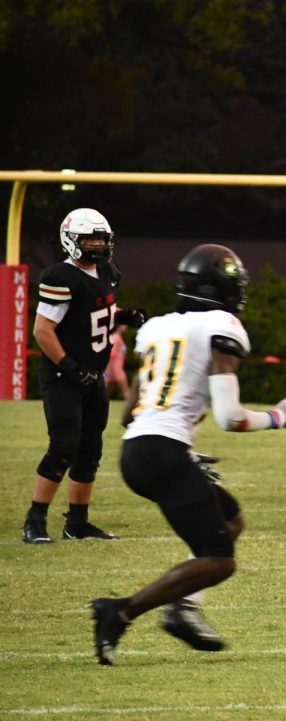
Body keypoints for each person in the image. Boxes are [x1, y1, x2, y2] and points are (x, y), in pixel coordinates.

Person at [89, 244, 286, 665]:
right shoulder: (221, 325)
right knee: (219, 561)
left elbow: (129, 411)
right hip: (160, 452)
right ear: (221, 288)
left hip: (139, 448)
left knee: (230, 519)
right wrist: (280, 416)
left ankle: (184, 608)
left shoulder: (156, 327)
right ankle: (118, 612)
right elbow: (230, 418)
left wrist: (182, 449)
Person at [22, 209, 145, 545]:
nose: (96, 244)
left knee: (91, 448)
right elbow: (42, 331)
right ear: (70, 240)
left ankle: (77, 522)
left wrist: (124, 316)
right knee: (64, 444)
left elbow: (92, 314)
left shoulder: (106, 271)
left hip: (93, 376)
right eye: (89, 238)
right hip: (64, 375)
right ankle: (35, 519)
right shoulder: (61, 276)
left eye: (101, 238)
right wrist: (71, 367)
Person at [105, 324, 130, 400]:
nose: (126, 327)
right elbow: (111, 355)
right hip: (116, 370)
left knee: (105, 392)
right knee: (126, 392)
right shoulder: (116, 338)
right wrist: (107, 371)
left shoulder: (118, 337)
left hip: (116, 369)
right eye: (124, 325)